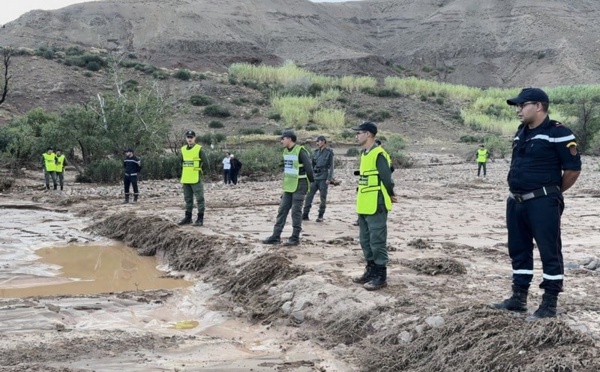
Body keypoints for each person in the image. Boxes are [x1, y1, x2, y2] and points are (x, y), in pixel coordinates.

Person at [492, 88, 581, 320]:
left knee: (549, 251)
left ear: (539, 106)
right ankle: (518, 298)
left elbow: (572, 169)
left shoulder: (558, 132)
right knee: (519, 250)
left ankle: (549, 303)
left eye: (522, 105)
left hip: (543, 202)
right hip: (517, 201)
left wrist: (551, 193)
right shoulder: (521, 132)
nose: (519, 110)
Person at [350, 122, 398, 291]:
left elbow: (386, 177)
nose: (357, 136)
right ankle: (370, 270)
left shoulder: (379, 153)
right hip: (364, 202)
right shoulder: (365, 154)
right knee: (365, 240)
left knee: (377, 240)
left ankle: (380, 275)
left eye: (359, 133)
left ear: (369, 134)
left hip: (376, 202)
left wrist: (391, 194)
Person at [263, 130, 315, 246]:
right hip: (288, 186)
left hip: (300, 185)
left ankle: (295, 238)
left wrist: (312, 183)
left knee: (296, 212)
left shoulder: (300, 151)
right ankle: (275, 236)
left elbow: (309, 169)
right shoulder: (286, 151)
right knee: (282, 211)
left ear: (289, 139)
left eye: (283, 138)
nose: (281, 141)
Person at [178, 130, 208, 226]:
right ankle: (188, 217)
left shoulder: (199, 149)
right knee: (188, 199)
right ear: (186, 138)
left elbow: (206, 163)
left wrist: (201, 172)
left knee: (199, 199)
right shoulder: (183, 149)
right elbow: (180, 163)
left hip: (196, 177)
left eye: (191, 137)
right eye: (188, 137)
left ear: (194, 138)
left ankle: (200, 218)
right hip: (186, 178)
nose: (189, 139)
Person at [302, 135, 334, 222]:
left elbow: (331, 166)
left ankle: (320, 215)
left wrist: (329, 178)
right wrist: (310, 176)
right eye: (317, 142)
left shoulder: (329, 152)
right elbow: (312, 165)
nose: (317, 143)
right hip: (315, 177)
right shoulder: (315, 152)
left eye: (319, 141)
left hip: (324, 177)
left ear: (324, 142)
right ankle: (305, 214)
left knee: (322, 197)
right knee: (309, 196)